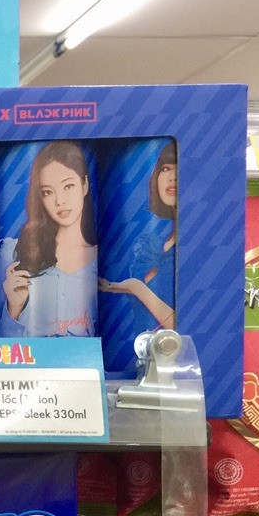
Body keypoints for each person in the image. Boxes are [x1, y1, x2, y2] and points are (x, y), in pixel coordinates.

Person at [0, 140, 98, 337]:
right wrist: (14, 309)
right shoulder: (13, 253)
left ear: (84, 185)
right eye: (48, 192)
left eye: (68, 186)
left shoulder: (101, 259)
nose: (59, 200)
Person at [99, 141, 177, 368]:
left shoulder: (192, 243)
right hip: (132, 361)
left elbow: (180, 327)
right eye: (165, 168)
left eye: (177, 168)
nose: (172, 177)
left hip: (168, 364)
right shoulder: (157, 243)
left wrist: (136, 287)